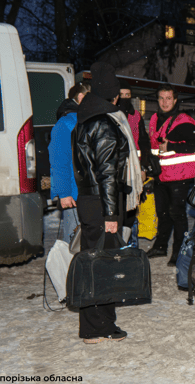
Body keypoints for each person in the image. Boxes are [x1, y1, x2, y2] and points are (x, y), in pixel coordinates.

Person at [71, 61, 142, 344]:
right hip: (102, 203)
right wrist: (111, 214)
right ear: (113, 96)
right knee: (100, 265)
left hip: (92, 200)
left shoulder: (86, 118)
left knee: (99, 263)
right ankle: (95, 327)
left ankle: (100, 323)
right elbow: (108, 173)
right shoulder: (103, 123)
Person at [147, 83, 195, 266]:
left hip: (179, 176)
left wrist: (171, 146)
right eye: (161, 98)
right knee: (162, 213)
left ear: (175, 100)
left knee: (177, 214)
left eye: (168, 98)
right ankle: (160, 246)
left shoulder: (184, 121)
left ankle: (179, 251)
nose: (165, 102)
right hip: (160, 175)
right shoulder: (154, 118)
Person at [48, 81, 91, 242]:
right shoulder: (66, 123)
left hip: (86, 192)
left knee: (84, 239)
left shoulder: (84, 120)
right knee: (74, 240)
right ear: (81, 97)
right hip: (74, 194)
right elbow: (59, 161)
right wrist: (64, 193)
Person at [118, 79, 151, 247]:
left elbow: (144, 142)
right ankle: (120, 243)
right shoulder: (112, 114)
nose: (125, 98)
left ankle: (132, 245)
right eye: (122, 95)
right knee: (120, 208)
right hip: (118, 170)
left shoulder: (136, 115)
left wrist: (143, 167)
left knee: (132, 207)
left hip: (134, 169)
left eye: (128, 95)